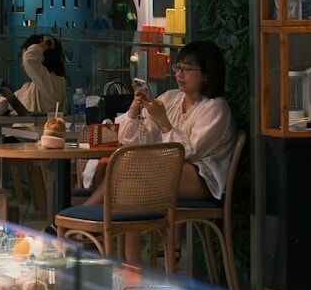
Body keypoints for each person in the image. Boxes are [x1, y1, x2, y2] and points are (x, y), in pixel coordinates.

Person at [90, 39, 235, 204]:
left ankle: (79, 219)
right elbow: (137, 141)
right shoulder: (171, 97)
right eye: (178, 67)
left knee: (128, 162)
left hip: (201, 177)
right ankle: (103, 227)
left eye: (187, 69)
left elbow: (188, 153)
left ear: (207, 74)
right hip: (169, 168)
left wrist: (163, 121)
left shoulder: (215, 108)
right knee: (130, 186)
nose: (179, 74)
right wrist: (134, 109)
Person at [14, 33, 66, 116]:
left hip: (41, 128)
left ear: (42, 57)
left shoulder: (53, 84)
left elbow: (29, 58)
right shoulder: (31, 86)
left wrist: (46, 44)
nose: (23, 65)